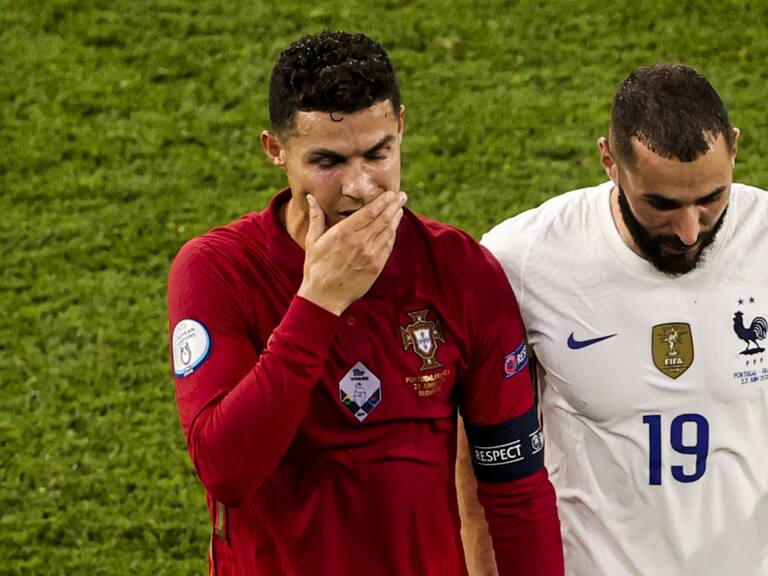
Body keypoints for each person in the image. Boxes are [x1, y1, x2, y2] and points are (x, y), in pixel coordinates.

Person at [167, 31, 563, 576]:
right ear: (275, 150)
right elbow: (226, 470)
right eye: (328, 161)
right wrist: (318, 302)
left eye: (378, 153)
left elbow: (515, 486)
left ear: (401, 125)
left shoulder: (462, 273)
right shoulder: (218, 271)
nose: (360, 187)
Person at [478, 63, 768, 575]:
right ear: (609, 161)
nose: (687, 231)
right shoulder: (523, 258)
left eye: (711, 199)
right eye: (661, 204)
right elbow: (478, 438)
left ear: (736, 148)